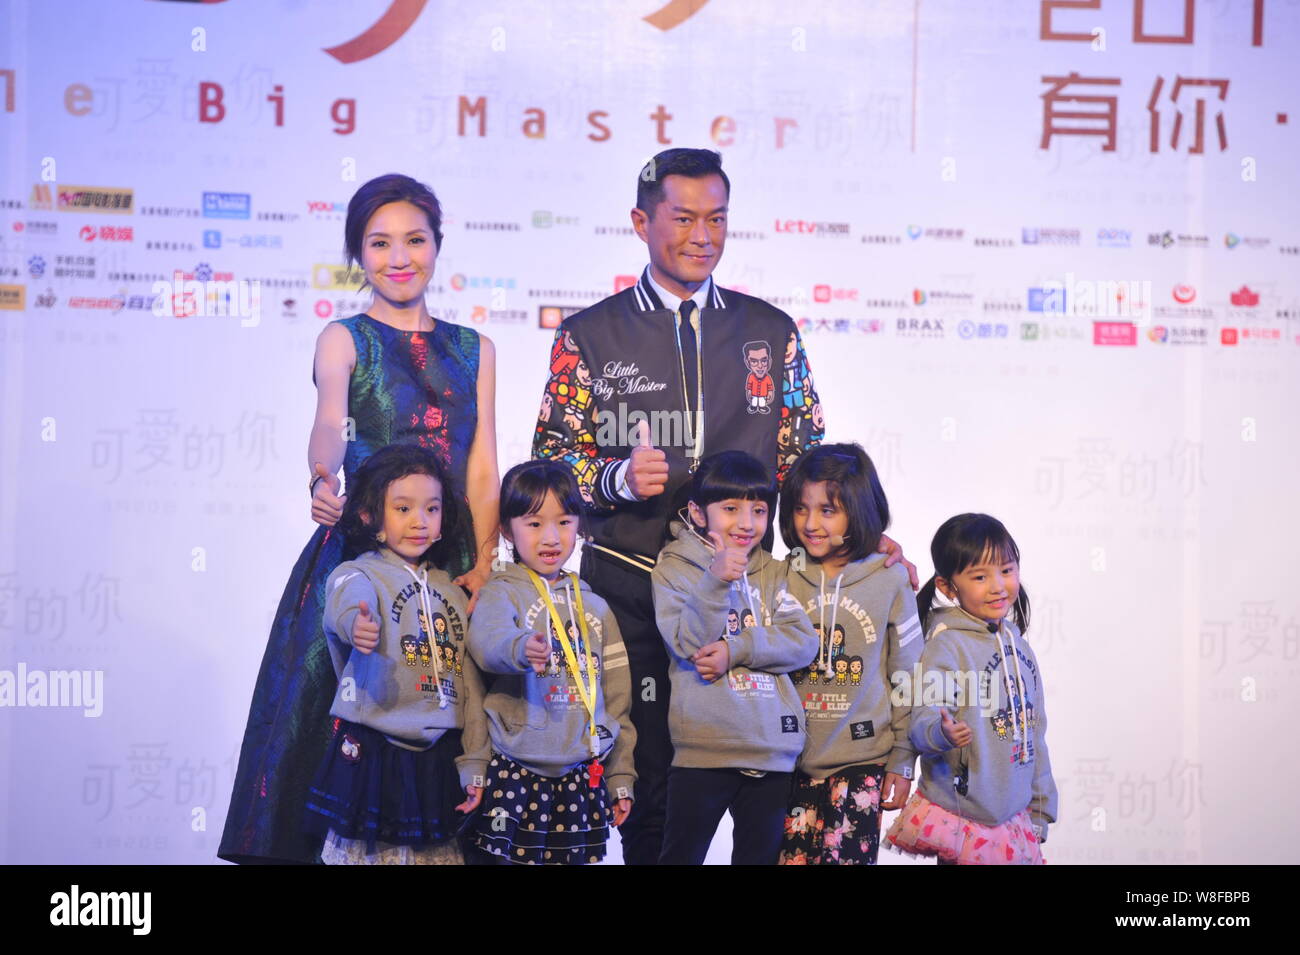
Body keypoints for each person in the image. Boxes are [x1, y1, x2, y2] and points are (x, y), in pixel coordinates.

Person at [532, 147, 916, 863]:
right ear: (641, 221)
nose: (702, 235)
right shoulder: (588, 334)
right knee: (647, 782)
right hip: (629, 588)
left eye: (717, 218)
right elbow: (548, 472)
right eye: (683, 218)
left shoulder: (771, 333)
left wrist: (866, 537)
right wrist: (616, 479)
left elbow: (810, 465)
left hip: (751, 594)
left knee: (760, 788)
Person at [220, 174, 500, 864]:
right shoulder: (343, 338)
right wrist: (323, 477)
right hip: (360, 551)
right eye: (380, 243)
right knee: (328, 719)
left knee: (461, 718)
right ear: (358, 253)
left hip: (452, 556)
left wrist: (485, 560)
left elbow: (483, 467)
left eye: (414, 240)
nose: (399, 257)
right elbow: (330, 425)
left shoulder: (475, 349)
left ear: (437, 246)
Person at [303, 443, 489, 864]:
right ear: (372, 516)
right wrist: (357, 625)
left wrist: (475, 761)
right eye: (403, 509)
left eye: (431, 508)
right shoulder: (360, 573)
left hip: (439, 757)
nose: (419, 521)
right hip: (375, 755)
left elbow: (472, 685)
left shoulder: (453, 592)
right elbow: (346, 600)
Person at [464, 461, 636, 864]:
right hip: (515, 771)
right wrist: (519, 647)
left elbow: (617, 701)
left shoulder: (594, 605)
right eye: (534, 523)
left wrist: (620, 775)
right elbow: (486, 642)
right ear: (507, 530)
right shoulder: (502, 593)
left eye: (564, 521)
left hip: (581, 773)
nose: (552, 537)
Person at [651, 451, 818, 865]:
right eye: (730, 508)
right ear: (697, 512)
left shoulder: (774, 571)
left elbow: (802, 641)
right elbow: (687, 641)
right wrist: (715, 580)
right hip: (704, 748)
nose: (746, 523)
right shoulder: (674, 569)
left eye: (758, 510)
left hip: (771, 749)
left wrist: (736, 649)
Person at [776, 444, 923, 865]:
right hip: (789, 760)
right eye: (801, 509)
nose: (810, 523)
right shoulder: (781, 576)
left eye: (828, 510)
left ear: (858, 511)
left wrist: (903, 760)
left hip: (864, 760)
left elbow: (907, 675)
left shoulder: (891, 578)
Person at [885, 514, 1057, 865]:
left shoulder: (1019, 646)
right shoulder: (946, 645)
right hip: (963, 814)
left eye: (1007, 571)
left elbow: (1033, 730)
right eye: (980, 577)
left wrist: (1041, 806)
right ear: (949, 587)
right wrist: (942, 733)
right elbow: (923, 721)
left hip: (1012, 815)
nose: (998, 586)